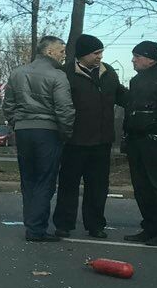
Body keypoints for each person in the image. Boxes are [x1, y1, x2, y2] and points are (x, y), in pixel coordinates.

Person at [51, 34, 127, 240]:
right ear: (83, 54)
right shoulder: (65, 73)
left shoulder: (108, 72)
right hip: (74, 140)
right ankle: (64, 224)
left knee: (98, 186)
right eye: (96, 53)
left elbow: (121, 95)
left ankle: (95, 225)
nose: (100, 57)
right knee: (69, 185)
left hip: (102, 141)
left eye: (101, 52)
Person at [2, 35, 76, 242]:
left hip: (24, 131)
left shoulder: (17, 73)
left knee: (28, 179)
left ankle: (31, 223)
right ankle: (36, 229)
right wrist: (66, 132)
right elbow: (65, 109)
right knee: (45, 180)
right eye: (61, 51)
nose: (64, 55)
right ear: (49, 51)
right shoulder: (58, 76)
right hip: (48, 132)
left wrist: (16, 123)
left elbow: (8, 105)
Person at [122, 41, 157, 247]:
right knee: (141, 187)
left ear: (150, 58)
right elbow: (131, 109)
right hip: (137, 140)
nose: (133, 60)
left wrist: (155, 130)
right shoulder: (136, 81)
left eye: (137, 56)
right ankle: (150, 227)